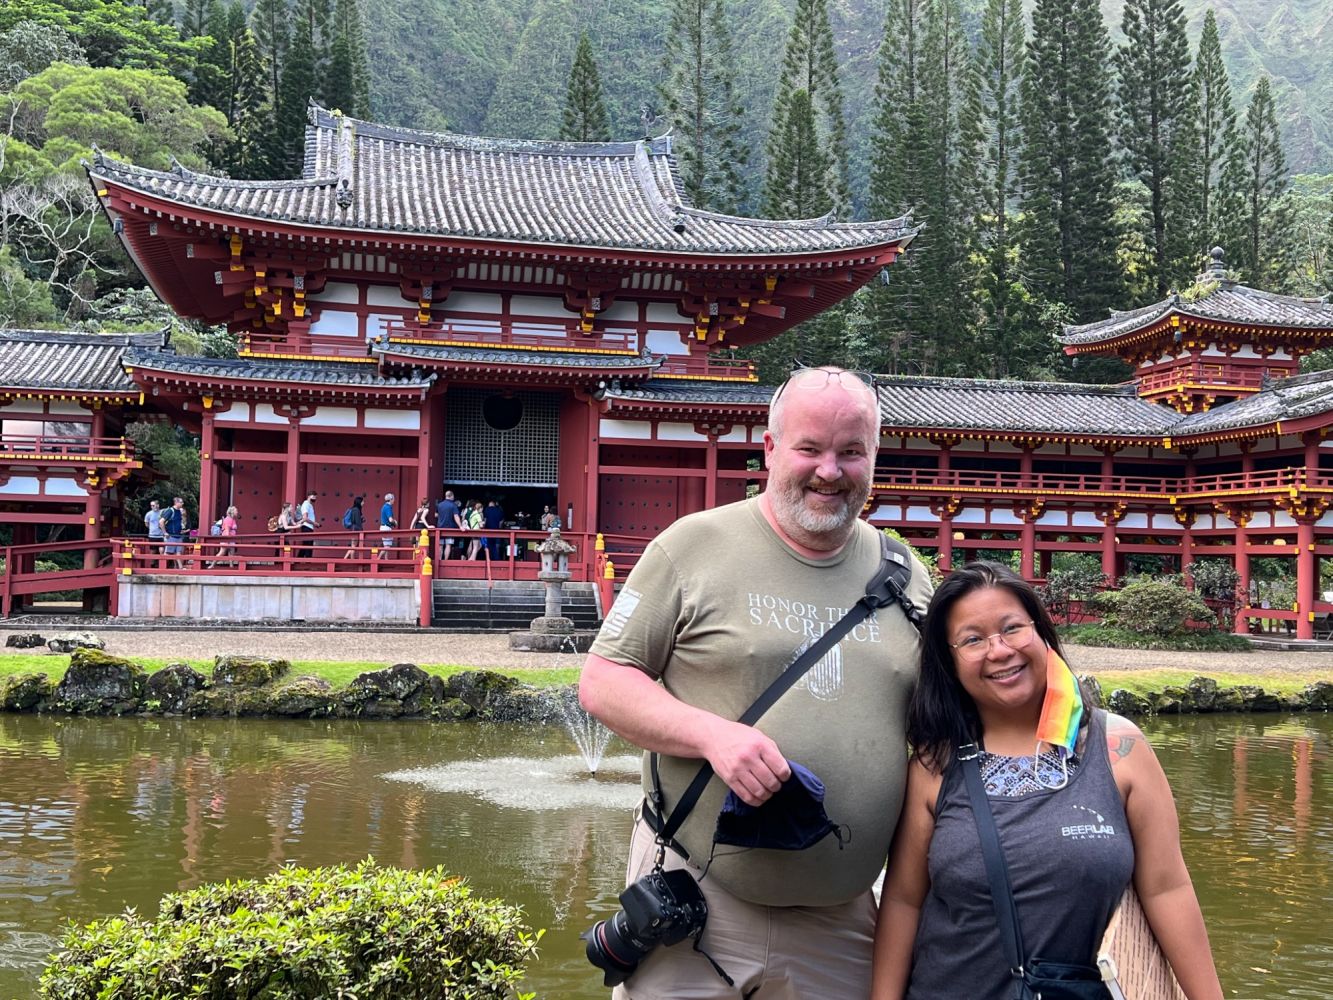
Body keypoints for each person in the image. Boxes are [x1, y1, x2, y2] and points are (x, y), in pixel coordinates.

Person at [578, 366, 932, 999]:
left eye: (851, 452)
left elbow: (946, 718)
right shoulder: (691, 547)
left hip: (842, 920)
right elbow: (604, 681)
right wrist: (712, 736)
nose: (830, 471)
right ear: (770, 448)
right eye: (810, 448)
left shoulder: (905, 573)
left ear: (875, 456)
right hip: (697, 903)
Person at [870, 562, 1223, 1000]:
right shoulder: (933, 766)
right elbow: (903, 901)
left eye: (1012, 628)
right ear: (949, 661)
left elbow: (1167, 888)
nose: (999, 651)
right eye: (973, 639)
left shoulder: (1119, 748)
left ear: (1041, 632)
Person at [436, 490, 463, 561]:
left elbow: (436, 515)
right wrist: (460, 526)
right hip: (450, 528)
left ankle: (439, 560)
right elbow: (456, 516)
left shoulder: (439, 505)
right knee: (448, 544)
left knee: (440, 545)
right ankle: (445, 560)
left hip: (440, 528)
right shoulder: (453, 505)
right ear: (451, 496)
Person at [162, 496, 187, 568]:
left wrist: (181, 529)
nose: (182, 503)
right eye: (181, 502)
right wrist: (165, 532)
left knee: (178, 552)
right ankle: (162, 568)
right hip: (171, 535)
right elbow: (161, 521)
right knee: (168, 553)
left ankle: (180, 568)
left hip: (178, 535)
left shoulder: (179, 511)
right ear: (176, 502)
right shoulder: (170, 511)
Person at [297, 491, 319, 559]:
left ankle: (297, 560)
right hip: (306, 527)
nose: (315, 498)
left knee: (305, 546)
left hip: (309, 527)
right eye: (314, 496)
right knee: (308, 546)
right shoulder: (305, 505)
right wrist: (314, 523)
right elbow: (305, 518)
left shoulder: (310, 505)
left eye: (315, 497)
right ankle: (307, 562)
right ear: (309, 496)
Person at [342, 496, 365, 560]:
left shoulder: (353, 509)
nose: (363, 503)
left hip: (353, 529)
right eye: (362, 501)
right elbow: (357, 522)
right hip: (356, 529)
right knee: (354, 546)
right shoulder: (356, 510)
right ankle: (350, 559)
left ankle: (347, 559)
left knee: (353, 546)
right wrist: (361, 531)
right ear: (359, 502)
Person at [144, 500, 164, 565]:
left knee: (161, 549)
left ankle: (161, 563)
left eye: (153, 505)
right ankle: (152, 564)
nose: (152, 507)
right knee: (153, 550)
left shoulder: (162, 513)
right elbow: (146, 523)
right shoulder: (149, 514)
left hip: (161, 535)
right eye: (151, 505)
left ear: (158, 505)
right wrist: (152, 528)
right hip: (152, 535)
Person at [378, 492, 396, 559]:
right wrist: (395, 522)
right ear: (391, 499)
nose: (394, 500)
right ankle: (378, 559)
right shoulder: (388, 507)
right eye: (393, 499)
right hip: (386, 527)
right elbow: (390, 519)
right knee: (387, 546)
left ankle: (386, 559)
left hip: (383, 527)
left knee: (386, 545)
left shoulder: (384, 506)